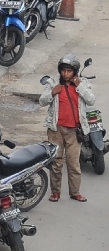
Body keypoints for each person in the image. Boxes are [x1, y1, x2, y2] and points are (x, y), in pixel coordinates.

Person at [40, 54, 95, 203]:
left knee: (73, 163)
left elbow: (91, 100)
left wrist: (80, 86)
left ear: (75, 71)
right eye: (63, 70)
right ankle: (55, 192)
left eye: (69, 71)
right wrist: (53, 92)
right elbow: (41, 101)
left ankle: (75, 192)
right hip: (56, 129)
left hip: (74, 131)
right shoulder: (53, 83)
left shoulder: (82, 83)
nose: (66, 74)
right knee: (56, 162)